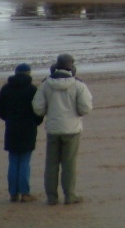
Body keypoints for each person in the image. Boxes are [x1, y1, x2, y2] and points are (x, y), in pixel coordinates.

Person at [33, 53, 93, 206]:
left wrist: (50, 111)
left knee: (51, 164)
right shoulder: (79, 85)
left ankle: (52, 197)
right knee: (69, 164)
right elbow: (85, 108)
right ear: (71, 67)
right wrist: (76, 113)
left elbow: (38, 108)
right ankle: (70, 195)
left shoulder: (45, 84)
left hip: (53, 129)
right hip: (72, 129)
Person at [0, 62, 45, 203]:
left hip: (12, 127)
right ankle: (24, 193)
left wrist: (8, 118)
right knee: (24, 161)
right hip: (28, 128)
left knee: (13, 160)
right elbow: (39, 109)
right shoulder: (32, 89)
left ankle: (13, 193)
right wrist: (36, 121)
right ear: (29, 74)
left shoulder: (6, 88)